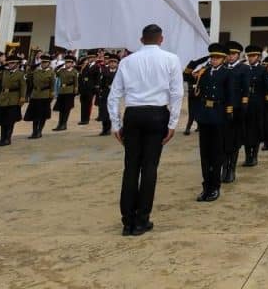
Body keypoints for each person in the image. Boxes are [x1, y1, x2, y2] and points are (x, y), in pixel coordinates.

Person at [107, 24, 184, 236]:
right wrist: (172, 123)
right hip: (157, 114)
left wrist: (115, 123)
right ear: (161, 39)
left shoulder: (127, 61)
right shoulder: (171, 59)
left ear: (141, 40)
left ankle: (127, 221)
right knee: (149, 167)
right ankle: (142, 220)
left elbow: (114, 96)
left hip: (133, 114)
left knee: (131, 167)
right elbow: (177, 93)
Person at [195, 42, 233, 202]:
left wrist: (228, 114)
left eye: (217, 58)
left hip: (219, 115)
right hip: (205, 115)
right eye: (212, 57)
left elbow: (230, 95)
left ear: (223, 59)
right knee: (205, 153)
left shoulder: (227, 74)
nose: (214, 60)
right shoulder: (204, 72)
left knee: (216, 153)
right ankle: (206, 186)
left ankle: (215, 186)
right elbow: (187, 74)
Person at [222, 41, 249, 183]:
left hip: (237, 109)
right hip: (222, 109)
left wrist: (244, 104)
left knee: (234, 140)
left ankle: (231, 169)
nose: (231, 57)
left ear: (238, 55)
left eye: (233, 54)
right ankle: (224, 167)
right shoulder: (223, 67)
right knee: (223, 140)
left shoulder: (243, 68)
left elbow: (246, 89)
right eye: (229, 54)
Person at [0, 53, 26, 146]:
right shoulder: (4, 72)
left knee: (10, 120)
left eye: (12, 63)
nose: (10, 65)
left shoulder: (20, 74)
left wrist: (22, 97)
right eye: (9, 63)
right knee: (3, 120)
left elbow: (23, 86)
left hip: (14, 98)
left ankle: (7, 138)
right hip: (3, 97)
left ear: (17, 64)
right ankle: (2, 139)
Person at [242, 44, 266, 167]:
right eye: (249, 56)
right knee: (245, 131)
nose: (251, 58)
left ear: (258, 57)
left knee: (256, 130)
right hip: (245, 105)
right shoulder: (244, 69)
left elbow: (266, 89)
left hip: (257, 105)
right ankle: (247, 156)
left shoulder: (263, 70)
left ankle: (255, 155)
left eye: (253, 56)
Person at [24, 53, 55, 139]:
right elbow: (28, 78)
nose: (44, 64)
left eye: (46, 62)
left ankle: (39, 131)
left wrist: (51, 95)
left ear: (48, 63)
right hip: (35, 95)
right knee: (35, 115)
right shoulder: (36, 71)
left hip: (45, 95)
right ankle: (34, 131)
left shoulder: (51, 72)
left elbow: (52, 85)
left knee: (42, 115)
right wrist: (30, 69)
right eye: (42, 62)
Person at [52, 54, 78, 131]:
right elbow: (55, 72)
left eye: (69, 62)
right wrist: (60, 65)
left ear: (72, 63)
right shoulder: (62, 70)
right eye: (66, 62)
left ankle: (64, 124)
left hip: (69, 91)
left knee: (66, 109)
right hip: (62, 91)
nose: (67, 64)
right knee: (61, 109)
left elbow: (76, 82)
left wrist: (75, 90)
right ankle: (59, 124)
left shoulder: (74, 71)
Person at [97, 53, 120, 136]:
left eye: (114, 62)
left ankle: (116, 129)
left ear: (117, 64)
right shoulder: (104, 71)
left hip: (115, 95)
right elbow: (101, 83)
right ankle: (105, 129)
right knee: (104, 112)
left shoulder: (119, 72)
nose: (112, 64)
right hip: (106, 93)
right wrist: (100, 92)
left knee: (114, 113)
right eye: (111, 62)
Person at [78, 54, 99, 125]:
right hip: (84, 88)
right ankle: (82, 119)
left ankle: (86, 119)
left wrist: (96, 87)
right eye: (89, 58)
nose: (90, 59)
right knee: (83, 103)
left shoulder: (96, 66)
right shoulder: (85, 66)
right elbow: (81, 76)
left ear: (94, 58)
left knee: (88, 104)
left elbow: (97, 78)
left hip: (90, 88)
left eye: (91, 57)